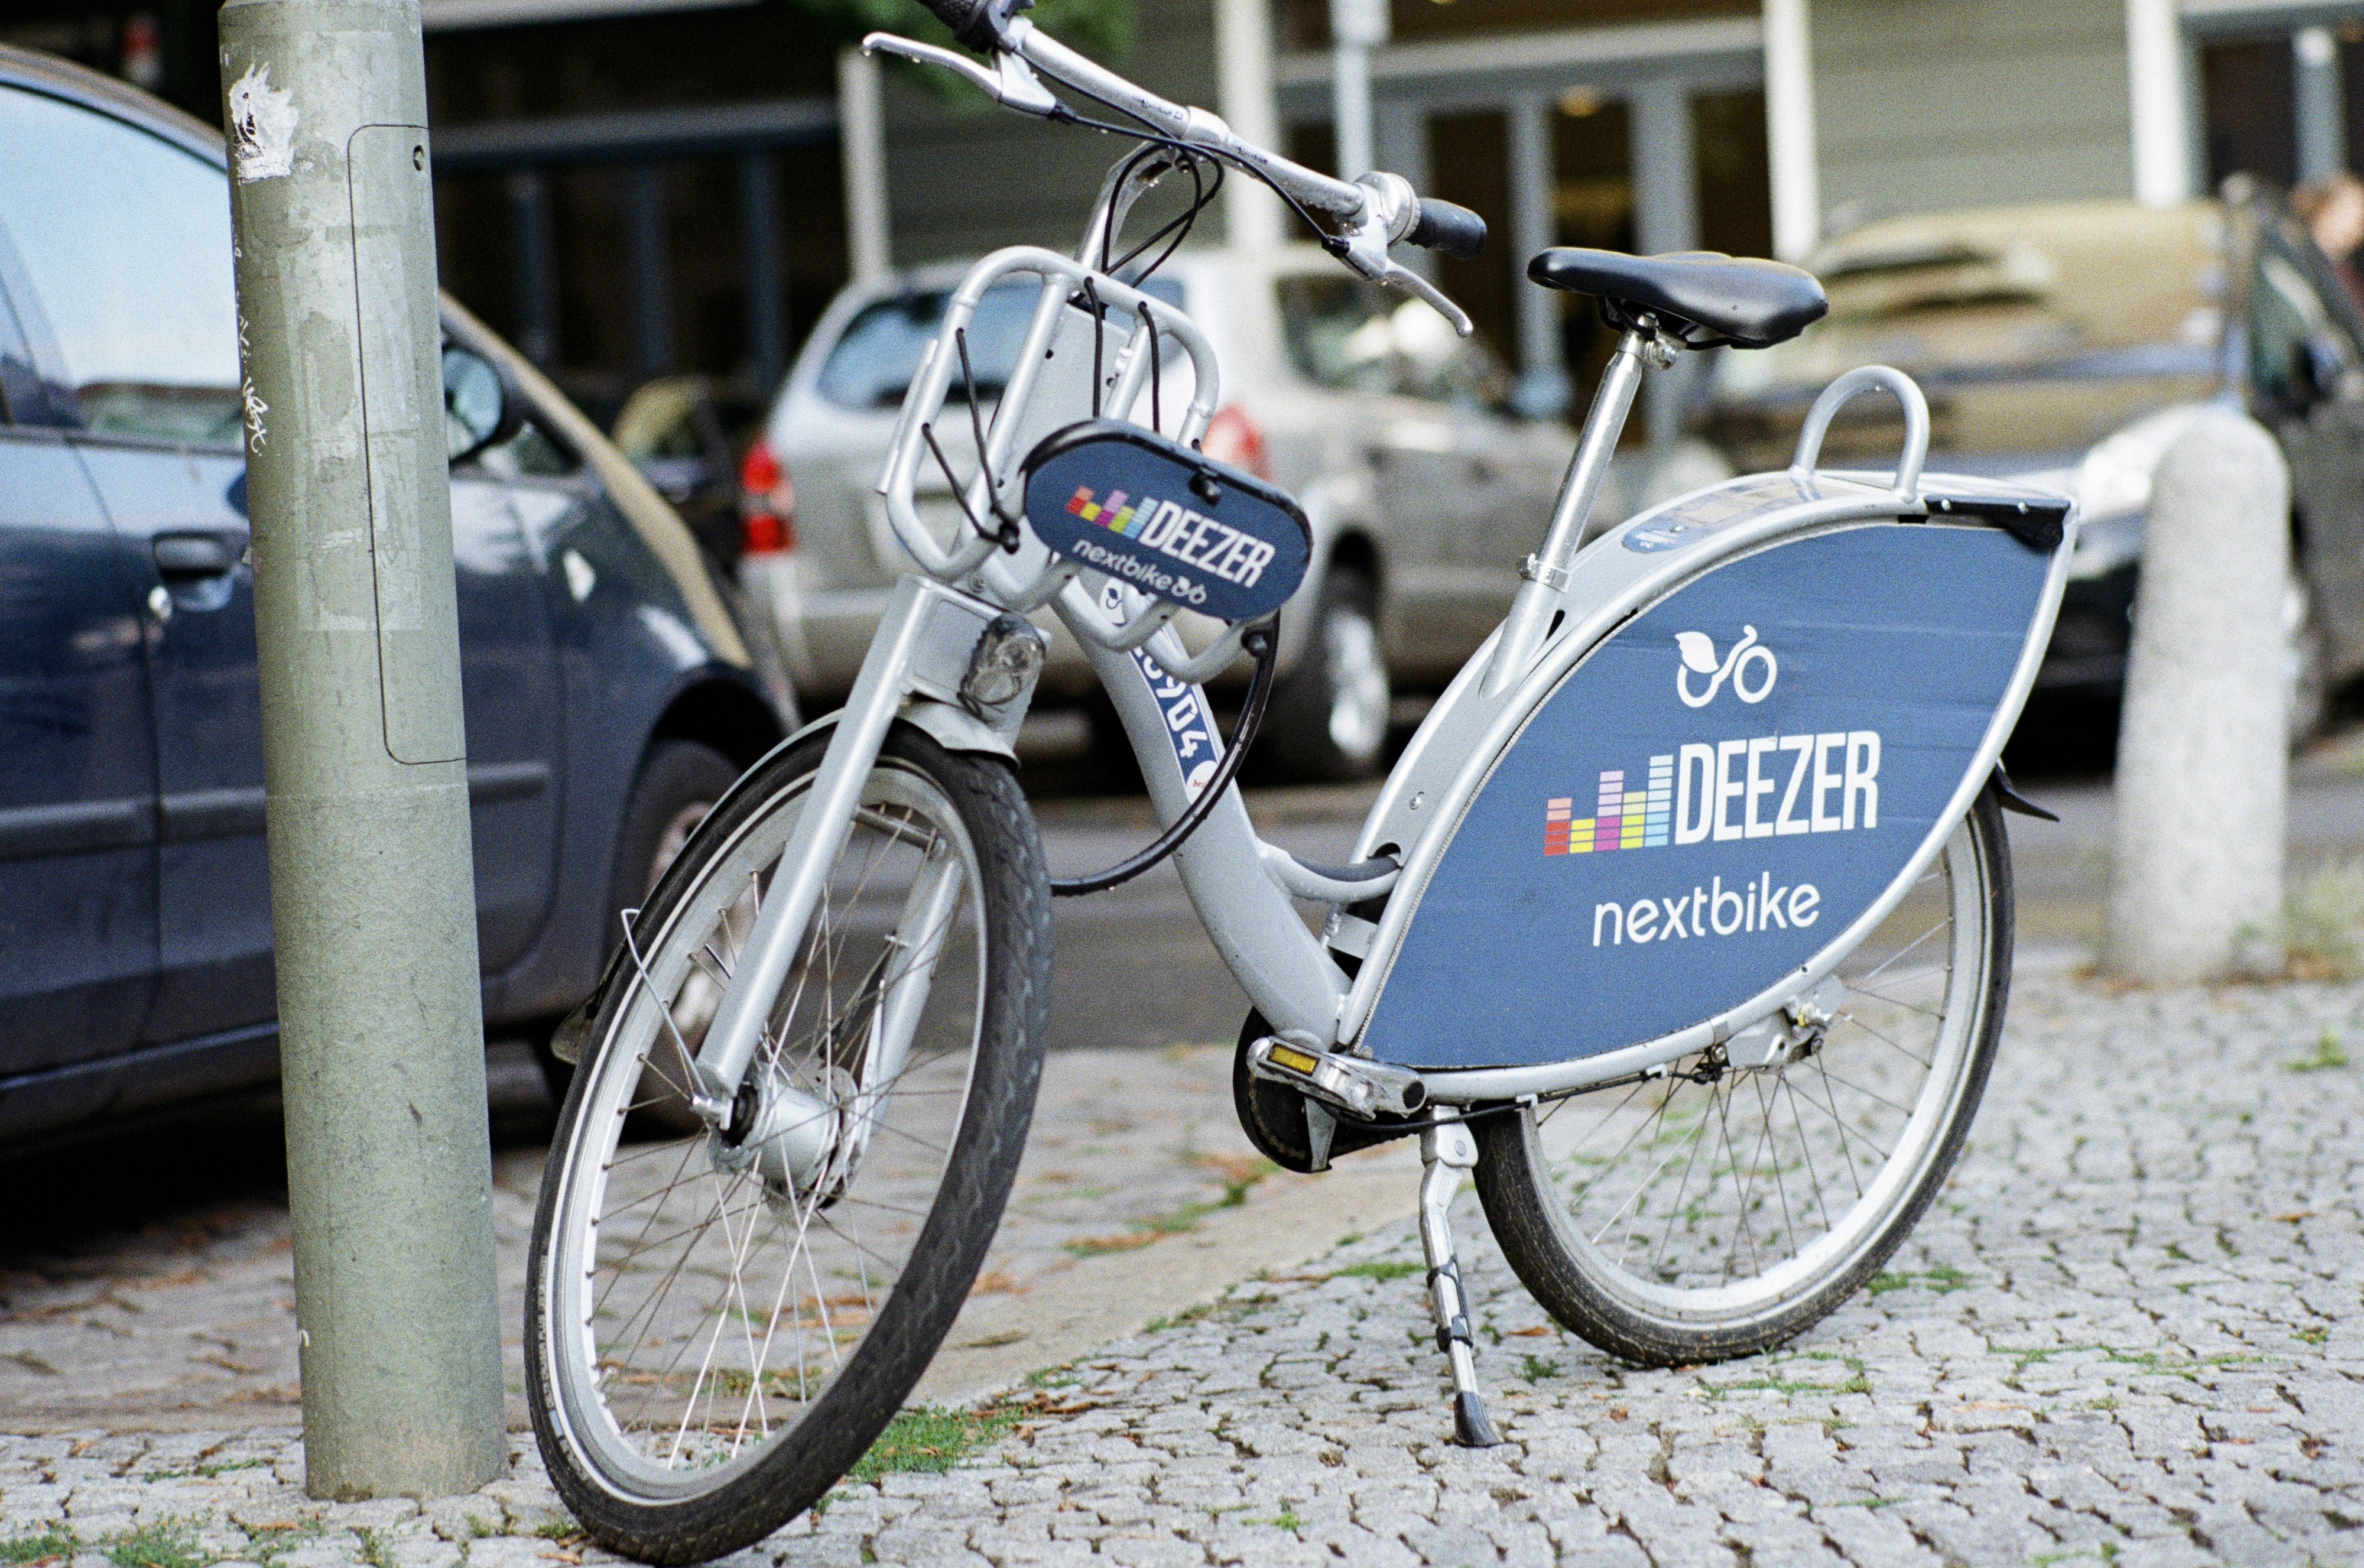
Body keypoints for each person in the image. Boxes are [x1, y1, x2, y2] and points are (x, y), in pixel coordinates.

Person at [2293, 170, 2364, 309]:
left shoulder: (2346, 275)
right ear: (2325, 206)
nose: (2356, 226)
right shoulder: (2296, 255)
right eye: (2348, 213)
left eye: (2361, 221)